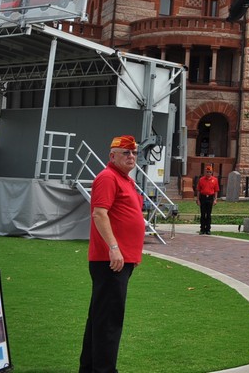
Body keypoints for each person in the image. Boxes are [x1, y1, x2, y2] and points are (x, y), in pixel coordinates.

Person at [79, 134, 146, 373]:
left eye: (134, 152)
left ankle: (90, 368)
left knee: (101, 317)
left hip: (120, 260)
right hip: (110, 260)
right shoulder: (108, 177)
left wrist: (132, 254)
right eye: (126, 153)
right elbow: (99, 214)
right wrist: (115, 248)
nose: (131, 156)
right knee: (109, 319)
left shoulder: (125, 179)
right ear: (112, 156)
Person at [196, 165, 220, 235]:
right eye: (207, 172)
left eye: (209, 172)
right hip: (203, 197)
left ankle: (208, 229)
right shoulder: (201, 179)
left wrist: (215, 199)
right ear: (205, 172)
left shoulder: (215, 180)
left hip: (210, 197)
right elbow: (198, 190)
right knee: (203, 214)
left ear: (211, 172)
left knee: (209, 214)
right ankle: (202, 229)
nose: (208, 173)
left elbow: (216, 190)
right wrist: (198, 200)